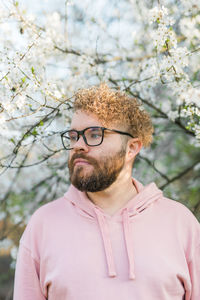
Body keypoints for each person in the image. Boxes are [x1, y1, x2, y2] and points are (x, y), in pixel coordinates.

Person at [13, 84, 200, 300]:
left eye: (94, 134)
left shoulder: (180, 223)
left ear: (132, 148)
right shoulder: (43, 225)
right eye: (74, 136)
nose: (79, 145)